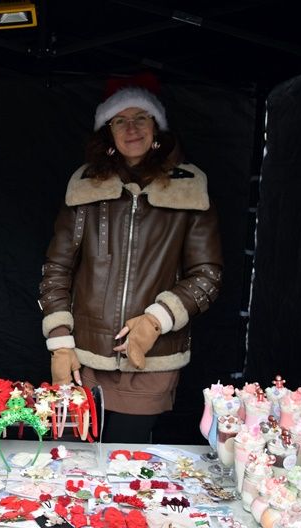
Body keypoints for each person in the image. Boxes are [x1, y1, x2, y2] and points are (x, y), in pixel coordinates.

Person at [38, 84, 223, 443]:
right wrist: (61, 344)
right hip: (85, 358)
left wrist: (155, 321)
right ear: (108, 132)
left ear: (157, 128)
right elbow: (56, 268)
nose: (131, 128)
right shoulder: (85, 187)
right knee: (77, 461)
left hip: (151, 359)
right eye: (119, 120)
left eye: (141, 118)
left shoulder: (190, 187)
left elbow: (207, 275)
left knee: (126, 459)